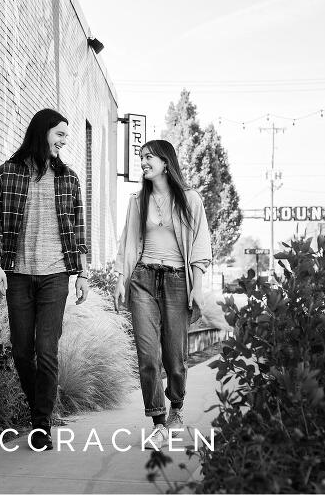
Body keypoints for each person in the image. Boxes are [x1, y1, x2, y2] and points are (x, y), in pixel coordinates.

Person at [0, 108, 90, 451]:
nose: (63, 141)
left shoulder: (68, 179)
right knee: (21, 352)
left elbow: (77, 229)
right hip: (17, 274)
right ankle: (39, 410)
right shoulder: (8, 173)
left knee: (46, 351)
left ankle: (41, 423)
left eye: (66, 137)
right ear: (42, 132)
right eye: (59, 134)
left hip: (55, 275)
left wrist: (82, 272)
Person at [113, 139, 211, 446]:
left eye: (149, 157)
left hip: (178, 281)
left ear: (166, 162)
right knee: (147, 355)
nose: (143, 162)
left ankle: (176, 407)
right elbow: (128, 245)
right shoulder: (137, 200)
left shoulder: (190, 199)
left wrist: (196, 286)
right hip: (143, 278)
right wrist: (121, 279)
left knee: (174, 356)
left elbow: (200, 247)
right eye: (141, 157)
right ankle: (158, 421)